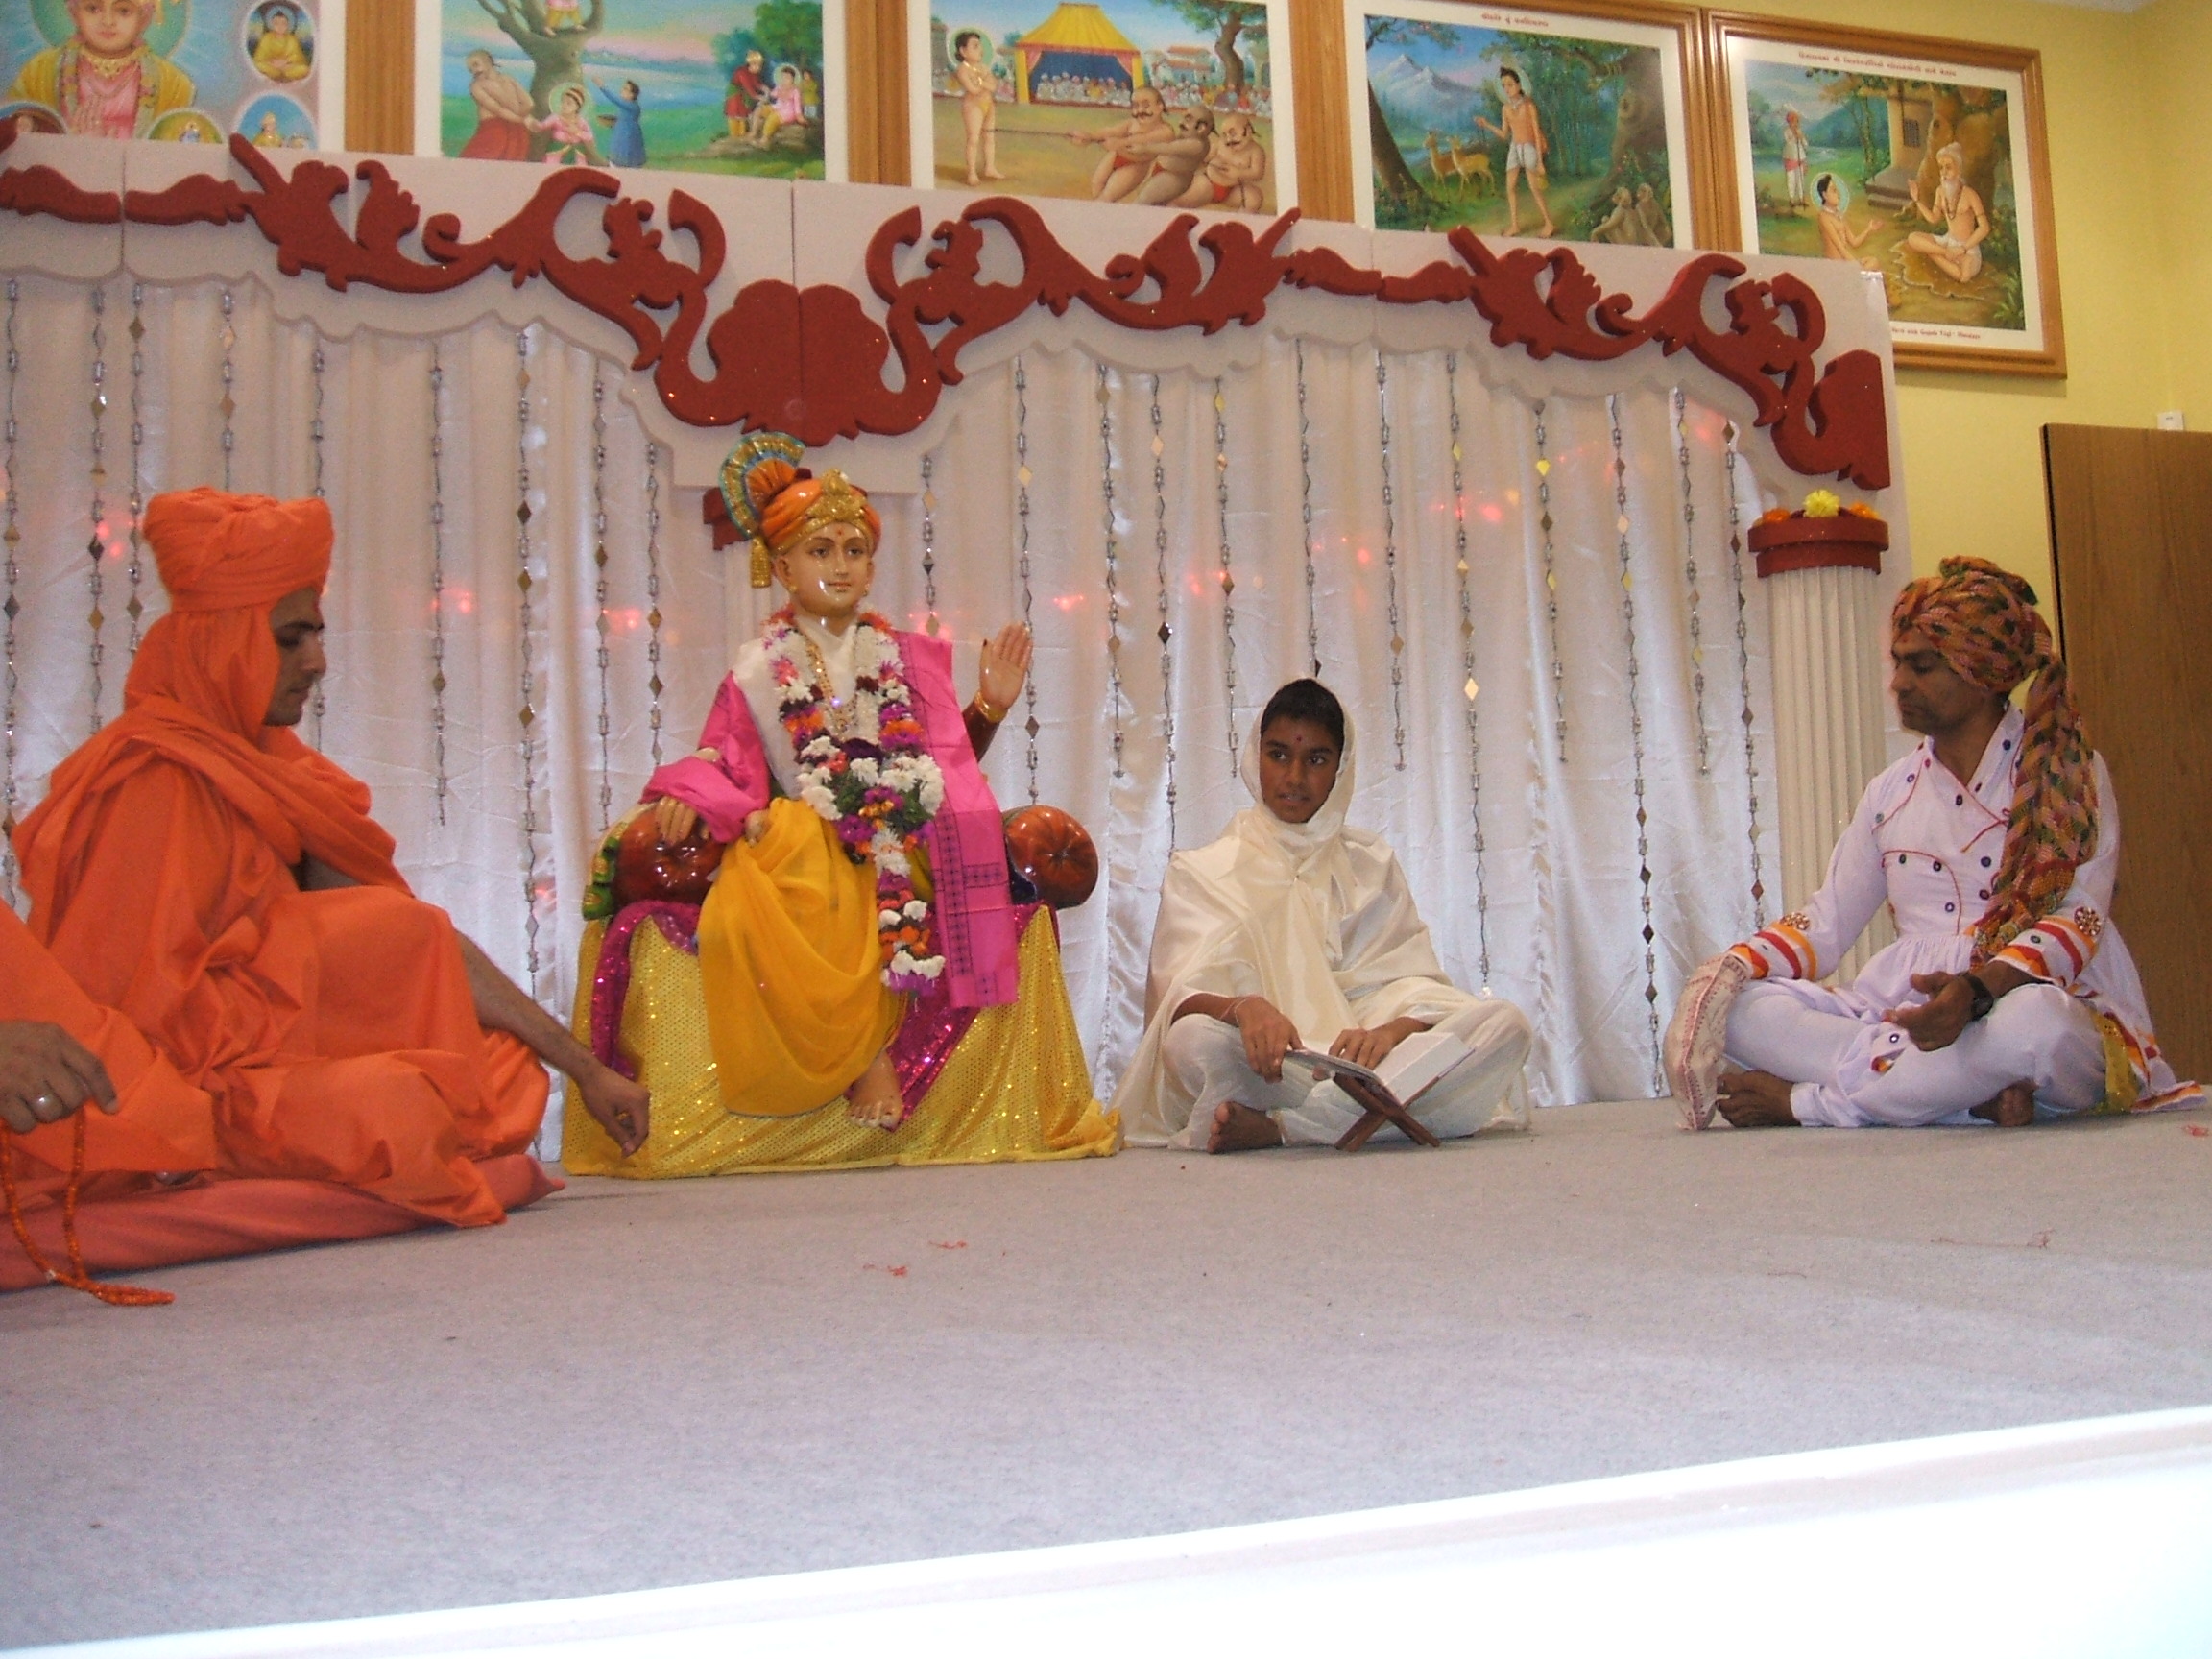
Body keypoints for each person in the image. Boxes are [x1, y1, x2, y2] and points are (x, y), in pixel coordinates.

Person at [12, 488, 649, 1226]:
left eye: (317, 635)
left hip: (275, 1057)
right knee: (402, 1112)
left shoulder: (280, 776)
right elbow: (135, 1019)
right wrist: (292, 974)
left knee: (500, 1070)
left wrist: (587, 1071)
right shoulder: (151, 781)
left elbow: (420, 941)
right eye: (290, 638)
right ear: (222, 642)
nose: (316, 662)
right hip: (196, 1091)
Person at [1669, 557, 2200, 1130]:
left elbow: (2080, 920)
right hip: (1907, 1014)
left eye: (1920, 666)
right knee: (1745, 1011)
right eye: (1897, 664)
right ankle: (1964, 1099)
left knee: (2034, 1027)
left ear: (1983, 673)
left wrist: (1975, 993)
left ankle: (1820, 1104)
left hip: (2033, 993)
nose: (1898, 684)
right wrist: (1729, 970)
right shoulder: (1889, 792)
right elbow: (1826, 920)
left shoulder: (2068, 774)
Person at [1112, 679, 1534, 1153]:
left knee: (1504, 1023)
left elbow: (1414, 981)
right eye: (1278, 756)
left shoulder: (1370, 861)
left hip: (1377, 1060)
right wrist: (1246, 1007)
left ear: (1340, 768)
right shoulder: (1202, 869)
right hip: (1279, 1065)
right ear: (1255, 757)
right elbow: (1176, 997)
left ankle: (1286, 1129)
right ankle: (1379, 1116)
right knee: (1191, 1042)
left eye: (1315, 760)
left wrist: (1390, 1032)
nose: (1294, 777)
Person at [10, 0, 196, 140]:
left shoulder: (173, 82)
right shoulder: (41, 70)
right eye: (93, 8)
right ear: (74, 12)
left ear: (144, 19)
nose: (107, 21)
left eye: (123, 10)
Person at [1474, 67, 1552, 239]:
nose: (1507, 89)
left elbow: (1537, 134)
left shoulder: (1529, 106)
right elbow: (1504, 134)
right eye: (1504, 86)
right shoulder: (1506, 109)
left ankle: (1549, 223)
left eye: (1510, 84)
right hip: (1514, 149)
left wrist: (1540, 161)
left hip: (1530, 148)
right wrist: (1486, 124)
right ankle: (1515, 225)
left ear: (1518, 85)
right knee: (1510, 187)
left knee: (1534, 187)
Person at [1067, 83, 1171, 204]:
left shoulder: (1165, 131)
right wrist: (1090, 136)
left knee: (1108, 195)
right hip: (1116, 155)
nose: (1140, 110)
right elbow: (1111, 131)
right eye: (1135, 106)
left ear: (1160, 106)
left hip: (1136, 165)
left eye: (1146, 106)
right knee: (1096, 184)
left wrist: (1118, 143)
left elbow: (1141, 140)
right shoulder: (1132, 123)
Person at [1903, 142, 1988, 284]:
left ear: (1959, 170)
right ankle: (1941, 253)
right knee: (1913, 238)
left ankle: (1933, 253)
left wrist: (1962, 249)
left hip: (1968, 249)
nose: (1943, 172)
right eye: (1941, 168)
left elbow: (1984, 227)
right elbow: (1934, 218)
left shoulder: (1970, 194)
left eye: (1948, 168)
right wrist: (1917, 200)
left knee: (1964, 277)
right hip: (1948, 243)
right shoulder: (1940, 191)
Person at [952, 30, 1007, 186]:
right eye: (975, 46)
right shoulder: (963, 70)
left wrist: (982, 82)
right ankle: (971, 173)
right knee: (974, 140)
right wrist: (983, 83)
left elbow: (993, 86)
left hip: (988, 105)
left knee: (989, 138)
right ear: (963, 51)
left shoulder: (983, 67)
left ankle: (989, 167)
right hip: (973, 107)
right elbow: (973, 90)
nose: (981, 50)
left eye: (980, 46)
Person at [459, 49, 533, 162]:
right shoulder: (477, 86)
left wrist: (525, 119)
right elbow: (498, 110)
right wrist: (524, 120)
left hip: (505, 132)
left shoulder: (507, 79)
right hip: (497, 130)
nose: (474, 71)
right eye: (471, 69)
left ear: (488, 62)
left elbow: (528, 102)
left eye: (476, 65)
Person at [529, 82, 601, 166]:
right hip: (556, 151)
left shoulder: (581, 121)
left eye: (569, 103)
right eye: (563, 102)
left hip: (576, 153)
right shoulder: (555, 117)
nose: (564, 105)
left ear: (577, 107)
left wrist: (577, 132)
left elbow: (590, 136)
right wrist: (536, 124)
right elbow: (543, 126)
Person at [1815, 173, 1877, 268]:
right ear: (1825, 195)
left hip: (1846, 262)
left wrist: (1869, 229)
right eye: (1834, 191)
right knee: (1869, 268)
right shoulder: (1824, 217)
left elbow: (1854, 242)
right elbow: (1840, 248)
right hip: (1836, 265)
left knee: (1874, 261)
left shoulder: (1840, 215)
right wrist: (1855, 266)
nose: (1838, 194)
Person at [251, 5, 311, 84]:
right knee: (258, 66)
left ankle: (283, 75)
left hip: (288, 67)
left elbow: (297, 57)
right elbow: (260, 57)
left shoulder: (291, 39)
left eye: (283, 24)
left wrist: (285, 62)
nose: (280, 27)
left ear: (288, 25)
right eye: (277, 23)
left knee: (304, 69)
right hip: (271, 66)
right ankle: (276, 75)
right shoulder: (267, 38)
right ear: (272, 24)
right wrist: (272, 63)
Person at [594, 77, 645, 168]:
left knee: (626, 158)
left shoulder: (632, 106)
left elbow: (615, 100)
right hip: (621, 134)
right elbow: (622, 118)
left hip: (628, 137)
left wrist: (602, 87)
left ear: (632, 95)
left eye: (625, 89)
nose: (622, 90)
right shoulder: (626, 105)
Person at [725, 50, 768, 142]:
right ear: (751, 64)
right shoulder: (742, 72)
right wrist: (759, 97)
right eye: (757, 65)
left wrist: (764, 88)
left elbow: (756, 83)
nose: (759, 68)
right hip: (735, 96)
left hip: (744, 97)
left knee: (743, 116)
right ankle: (734, 137)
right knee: (735, 115)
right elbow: (749, 88)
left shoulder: (753, 74)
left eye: (760, 66)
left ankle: (742, 136)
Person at [1779, 108, 1809, 211]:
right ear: (1789, 121)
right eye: (1793, 121)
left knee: (1800, 179)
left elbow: (1805, 144)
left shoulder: (1799, 131)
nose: (1795, 123)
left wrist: (1801, 136)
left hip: (1800, 157)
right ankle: (1791, 198)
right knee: (1791, 179)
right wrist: (1794, 135)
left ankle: (1801, 199)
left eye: (1796, 121)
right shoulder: (1786, 132)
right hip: (1790, 157)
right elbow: (1789, 143)